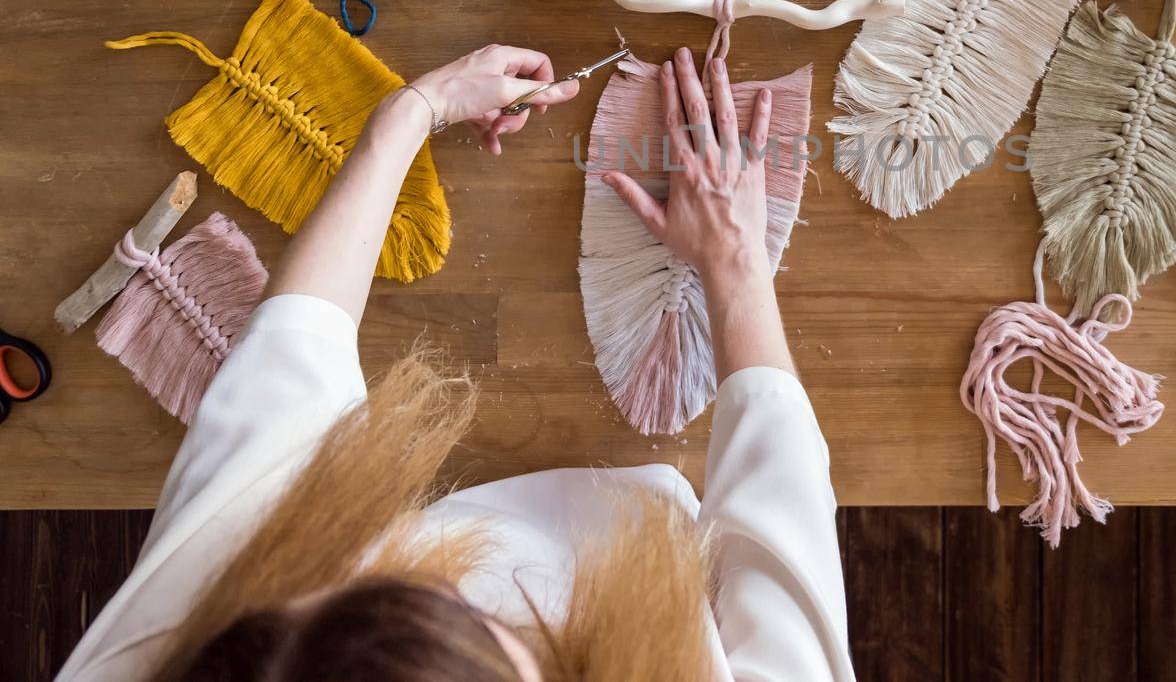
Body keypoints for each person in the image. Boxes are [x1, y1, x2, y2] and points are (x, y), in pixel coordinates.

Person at [56, 44, 854, 682]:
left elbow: (287, 366)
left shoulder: (179, 636)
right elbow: (782, 533)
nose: (450, 575)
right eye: (488, 624)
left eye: (399, 585)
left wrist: (412, 113)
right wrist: (736, 262)